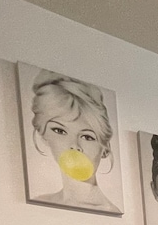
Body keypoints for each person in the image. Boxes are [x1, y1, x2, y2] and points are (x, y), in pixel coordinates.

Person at [29, 70, 121, 214]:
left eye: (87, 137)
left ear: (105, 149)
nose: (74, 145)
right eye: (60, 131)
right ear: (43, 135)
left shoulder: (110, 211)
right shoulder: (43, 200)